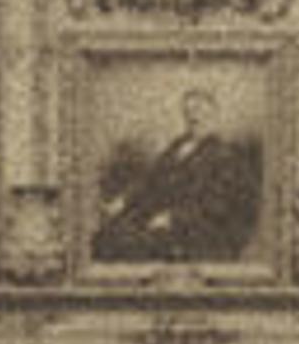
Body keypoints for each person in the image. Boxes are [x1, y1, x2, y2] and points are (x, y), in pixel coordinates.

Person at [88, 86, 262, 264]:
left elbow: (216, 205)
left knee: (132, 245)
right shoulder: (178, 146)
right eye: (189, 111)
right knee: (106, 236)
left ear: (214, 115)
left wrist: (173, 218)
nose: (193, 116)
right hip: (160, 218)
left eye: (200, 111)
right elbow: (150, 180)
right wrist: (123, 201)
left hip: (198, 230)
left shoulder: (224, 155)